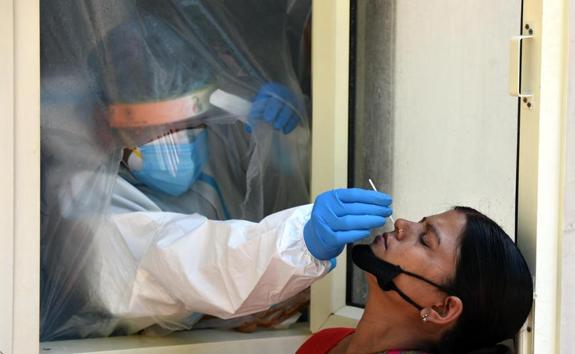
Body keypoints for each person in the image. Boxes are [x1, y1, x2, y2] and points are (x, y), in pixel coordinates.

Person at [39, 0, 331, 339]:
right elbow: (182, 263)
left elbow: (275, 182)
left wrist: (286, 140)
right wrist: (296, 243)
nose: (181, 142)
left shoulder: (216, 139)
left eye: (191, 124)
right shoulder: (84, 205)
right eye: (160, 131)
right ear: (104, 126)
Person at [297, 207, 534, 354]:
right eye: (420, 221)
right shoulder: (328, 339)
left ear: (442, 309)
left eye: (425, 240)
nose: (401, 223)